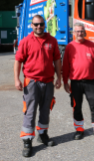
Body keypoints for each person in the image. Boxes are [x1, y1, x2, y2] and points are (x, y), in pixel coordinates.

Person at [14, 15, 61, 157]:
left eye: (41, 24)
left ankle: (43, 134)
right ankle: (27, 141)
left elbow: (57, 60)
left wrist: (59, 78)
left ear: (44, 25)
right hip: (31, 81)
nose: (38, 27)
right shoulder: (26, 41)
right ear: (31, 25)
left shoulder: (52, 41)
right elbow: (18, 61)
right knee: (30, 110)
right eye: (36, 24)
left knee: (46, 109)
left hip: (48, 81)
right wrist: (17, 79)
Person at [62, 22, 94, 141]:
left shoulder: (91, 45)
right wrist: (65, 82)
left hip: (91, 82)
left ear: (84, 32)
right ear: (73, 33)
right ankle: (79, 130)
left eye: (81, 31)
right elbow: (65, 66)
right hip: (75, 82)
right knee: (76, 106)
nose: (79, 33)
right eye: (77, 31)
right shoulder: (70, 47)